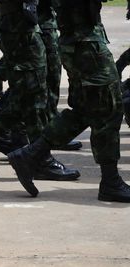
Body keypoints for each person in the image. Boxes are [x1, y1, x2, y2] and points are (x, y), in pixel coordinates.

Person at [8, 0, 130, 203]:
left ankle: (31, 154)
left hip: (78, 43)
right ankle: (110, 182)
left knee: (84, 108)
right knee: (109, 110)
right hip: (86, 45)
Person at [0, 0, 79, 181]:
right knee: (34, 92)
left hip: (25, 24)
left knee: (33, 92)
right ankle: (38, 159)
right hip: (20, 25)